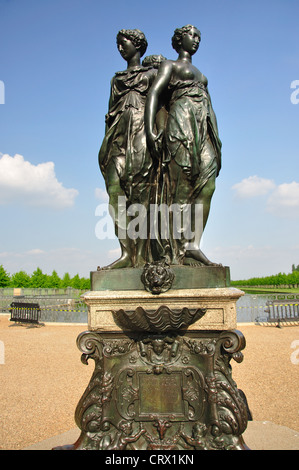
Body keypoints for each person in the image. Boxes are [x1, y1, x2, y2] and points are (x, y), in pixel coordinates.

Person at [145, 25, 222, 266]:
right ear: (180, 40)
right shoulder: (171, 65)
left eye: (199, 36)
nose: (197, 40)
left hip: (203, 126)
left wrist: (216, 139)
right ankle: (169, 250)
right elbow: (154, 95)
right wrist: (150, 130)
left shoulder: (201, 74)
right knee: (180, 190)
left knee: (207, 186)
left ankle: (192, 244)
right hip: (181, 124)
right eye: (192, 35)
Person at [98, 29, 157, 268]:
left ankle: (141, 255)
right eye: (117, 44)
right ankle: (125, 253)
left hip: (142, 136)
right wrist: (106, 144)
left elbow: (161, 108)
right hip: (117, 138)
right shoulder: (116, 80)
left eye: (124, 44)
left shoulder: (152, 74)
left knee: (140, 197)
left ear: (138, 45)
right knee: (115, 193)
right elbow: (109, 114)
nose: (120, 48)